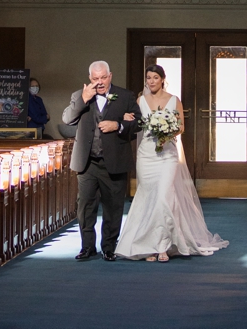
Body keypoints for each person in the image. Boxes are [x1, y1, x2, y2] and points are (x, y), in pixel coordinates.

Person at [115, 64, 228, 261]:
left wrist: (167, 133)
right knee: (147, 198)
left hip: (167, 155)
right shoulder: (140, 100)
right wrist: (125, 118)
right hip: (146, 155)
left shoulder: (174, 100)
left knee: (163, 198)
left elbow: (181, 126)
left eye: (155, 78)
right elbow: (133, 122)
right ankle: (147, 245)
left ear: (162, 79)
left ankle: (163, 246)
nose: (151, 81)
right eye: (148, 77)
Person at [62, 60, 141, 260]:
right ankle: (87, 247)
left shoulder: (125, 96)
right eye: (95, 78)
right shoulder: (78, 96)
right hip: (87, 163)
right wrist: (83, 99)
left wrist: (118, 125)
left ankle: (109, 247)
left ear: (110, 76)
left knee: (113, 207)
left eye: (103, 77)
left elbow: (139, 122)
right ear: (90, 79)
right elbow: (67, 119)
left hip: (114, 161)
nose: (100, 82)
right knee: (85, 207)